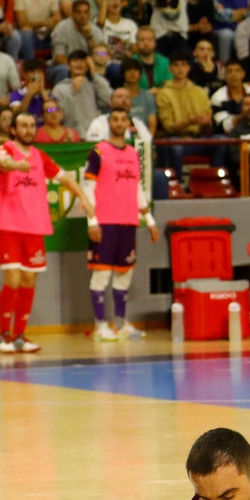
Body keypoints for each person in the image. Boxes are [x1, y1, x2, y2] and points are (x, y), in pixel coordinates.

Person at [0, 112, 93, 353]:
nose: (28, 130)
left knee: (28, 281)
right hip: (8, 226)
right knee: (13, 280)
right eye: (23, 126)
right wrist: (17, 165)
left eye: (31, 126)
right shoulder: (5, 150)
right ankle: (4, 335)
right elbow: (4, 163)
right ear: (13, 130)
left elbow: (65, 177)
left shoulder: (39, 156)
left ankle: (19, 335)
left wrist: (84, 198)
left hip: (34, 228)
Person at [83, 109, 159, 341]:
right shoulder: (98, 151)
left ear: (128, 123)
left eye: (122, 119)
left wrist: (150, 220)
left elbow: (137, 188)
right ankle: (99, 326)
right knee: (101, 276)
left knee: (124, 275)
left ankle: (120, 323)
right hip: (105, 222)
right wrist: (92, 221)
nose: (118, 123)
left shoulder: (133, 153)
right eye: (114, 119)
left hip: (128, 222)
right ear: (109, 123)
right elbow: (88, 188)